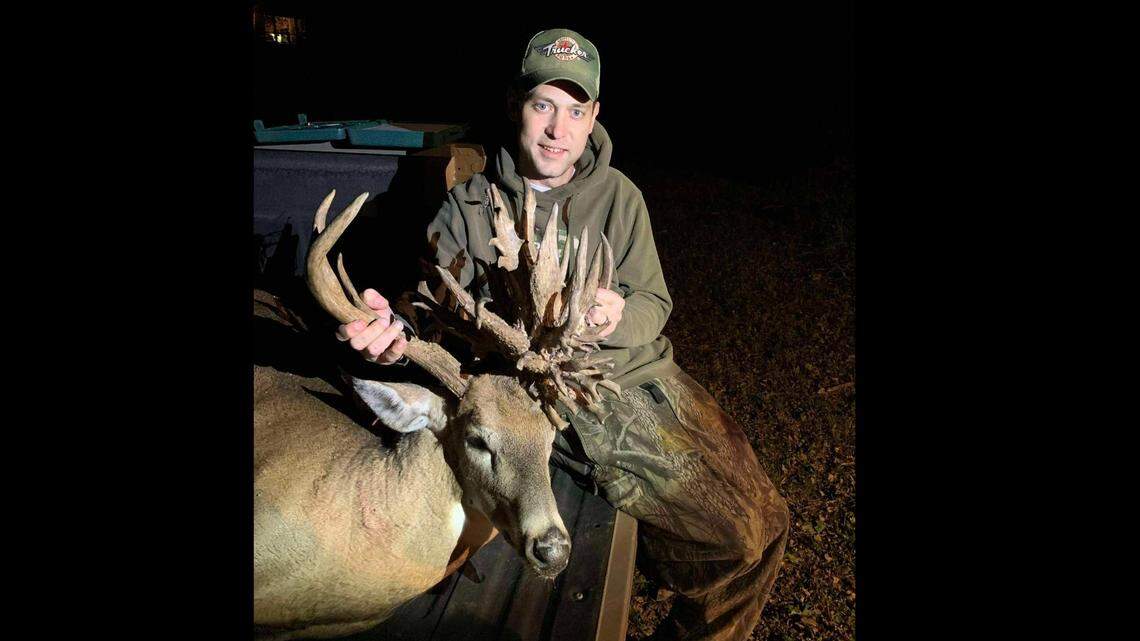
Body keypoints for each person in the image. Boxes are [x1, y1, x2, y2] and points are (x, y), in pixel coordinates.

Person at [335, 28, 789, 641]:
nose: (558, 129)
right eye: (542, 105)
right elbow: (428, 308)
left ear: (595, 115)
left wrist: (615, 317)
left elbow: (655, 301)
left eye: (576, 110)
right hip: (564, 401)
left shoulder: (620, 197)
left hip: (647, 373)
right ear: (513, 106)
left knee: (774, 522)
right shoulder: (469, 208)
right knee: (736, 543)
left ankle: (682, 577)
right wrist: (397, 332)